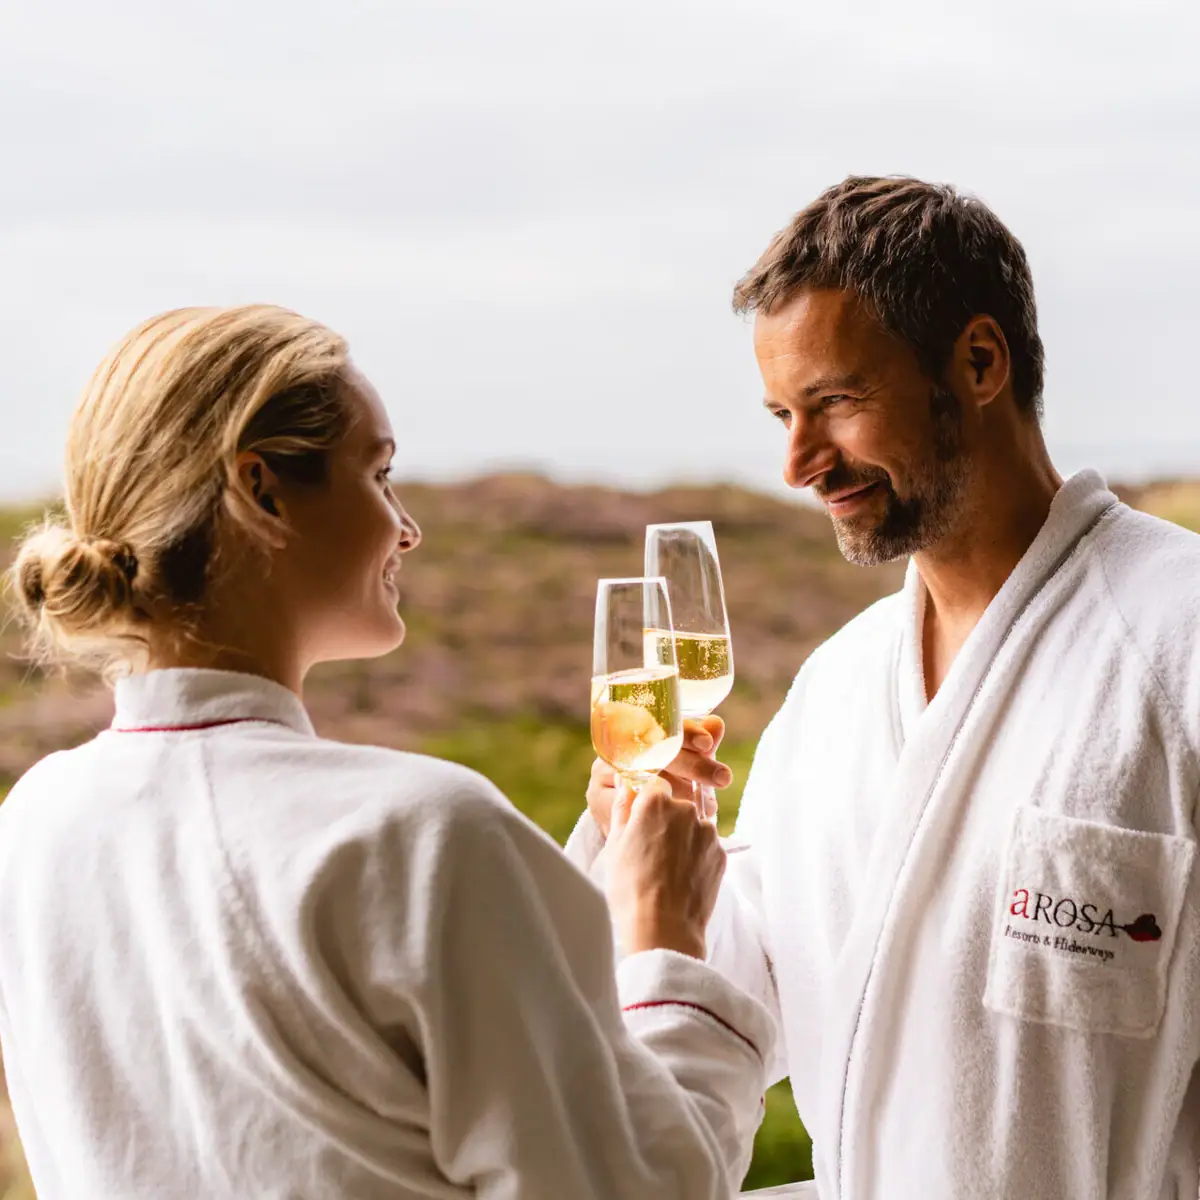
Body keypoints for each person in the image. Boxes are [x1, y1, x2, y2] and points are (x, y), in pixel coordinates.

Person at [0, 305, 776, 1199]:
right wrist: (661, 934)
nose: (407, 527)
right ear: (263, 490)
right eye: (380, 473)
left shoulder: (37, 823)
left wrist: (594, 873)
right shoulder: (422, 832)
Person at [571, 176, 1200, 1199]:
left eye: (836, 403)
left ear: (981, 363)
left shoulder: (1178, 643)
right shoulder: (834, 693)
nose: (798, 463)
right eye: (782, 413)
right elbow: (748, 1008)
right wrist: (647, 872)